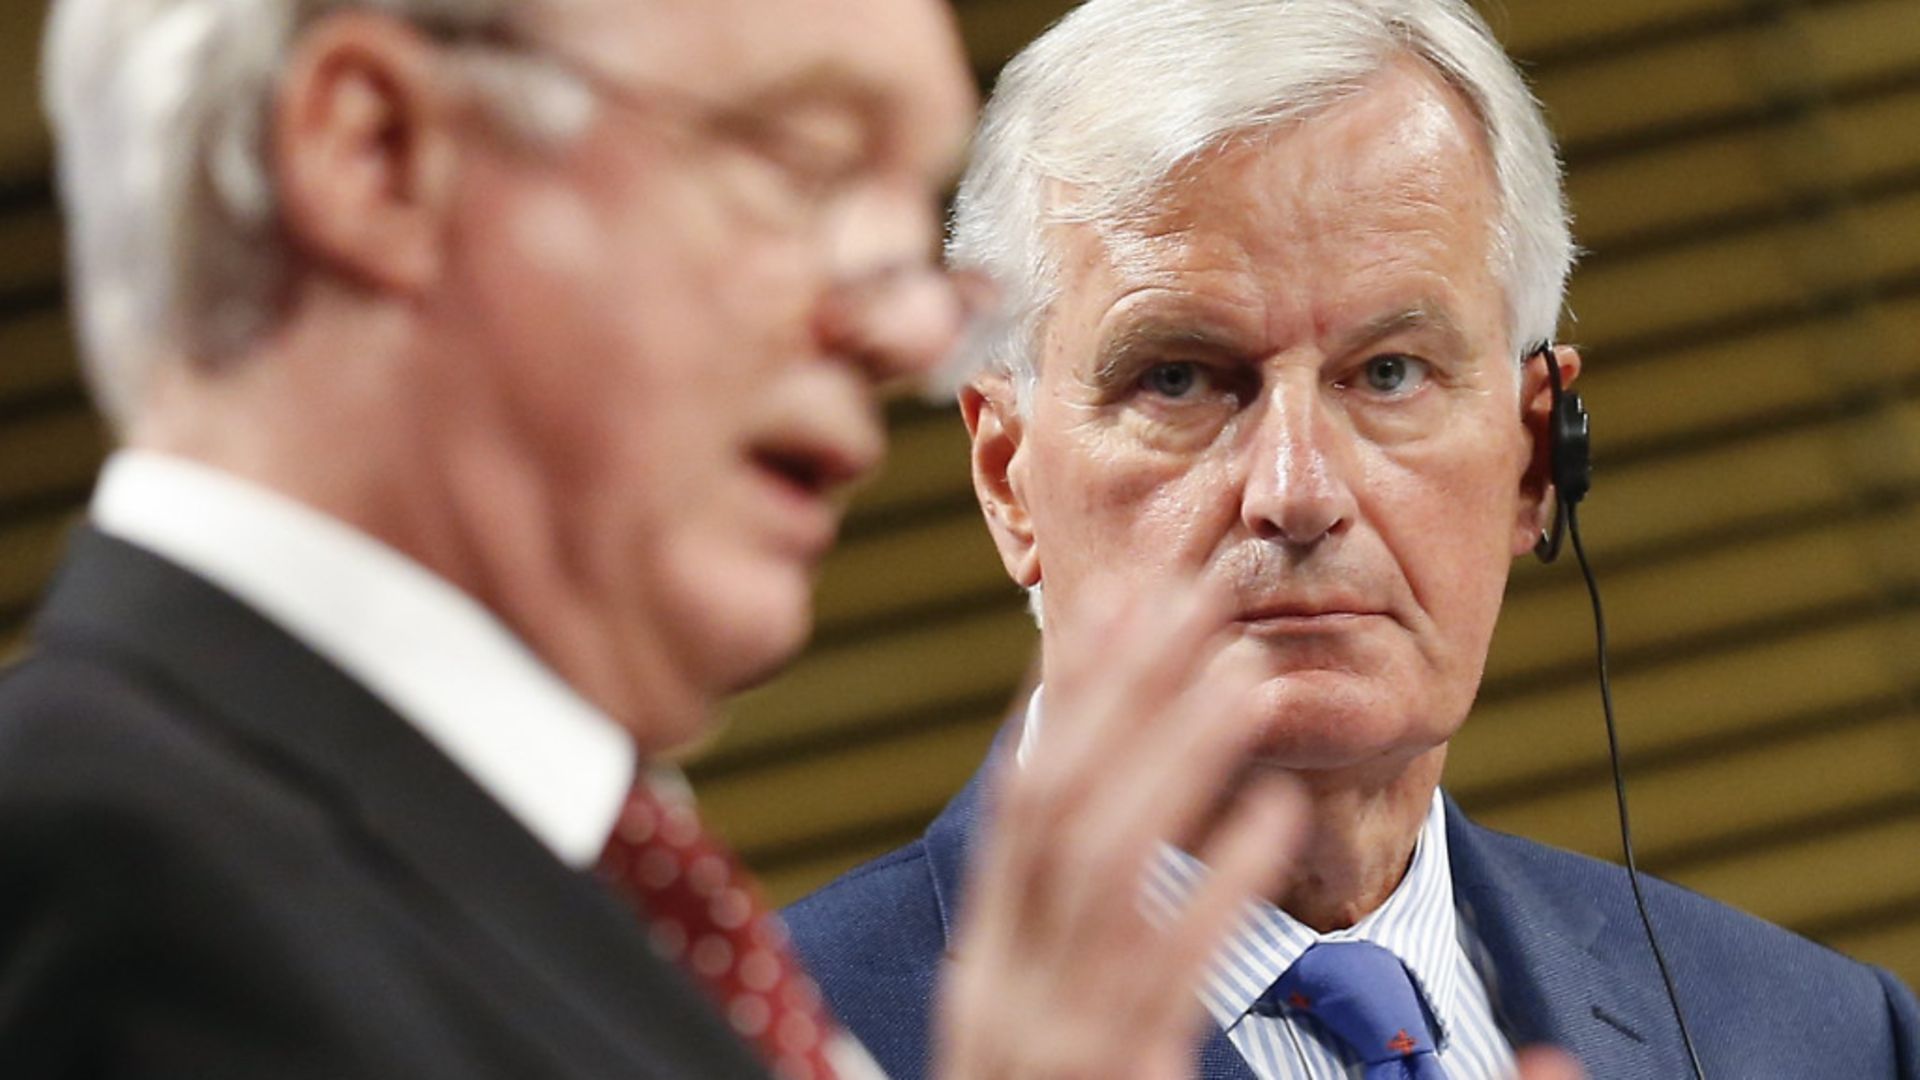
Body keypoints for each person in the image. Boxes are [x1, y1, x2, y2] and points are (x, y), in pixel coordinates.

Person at [0, 1, 1344, 1077]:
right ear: (378, 154)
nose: (905, 336)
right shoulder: (82, 869)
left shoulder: (605, 905)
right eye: (805, 164)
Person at [784, 1, 1920, 1078]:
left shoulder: (1822, 1040)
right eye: (1179, 377)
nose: (1298, 490)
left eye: (1389, 373)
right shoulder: (752, 1042)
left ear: (1535, 459)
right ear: (1007, 479)